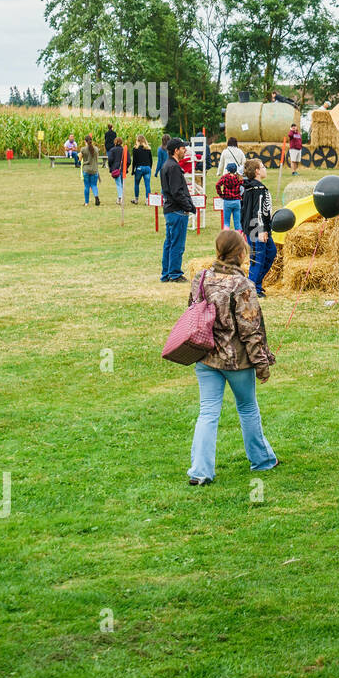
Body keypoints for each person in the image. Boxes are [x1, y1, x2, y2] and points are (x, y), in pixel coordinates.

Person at [185, 229, 279, 486]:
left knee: (207, 413)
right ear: (240, 254)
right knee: (248, 408)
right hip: (236, 361)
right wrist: (262, 364)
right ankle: (262, 460)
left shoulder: (200, 279)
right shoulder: (243, 286)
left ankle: (200, 471)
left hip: (205, 356)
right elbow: (251, 330)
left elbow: (193, 314)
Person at [160, 138, 195, 282]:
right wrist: (188, 206)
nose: (185, 150)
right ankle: (174, 273)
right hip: (177, 210)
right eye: (182, 148)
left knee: (169, 242)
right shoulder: (173, 167)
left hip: (170, 209)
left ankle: (166, 273)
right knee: (177, 244)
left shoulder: (166, 165)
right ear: (176, 150)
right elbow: (177, 192)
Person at [241, 159, 276, 296]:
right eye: (262, 167)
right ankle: (251, 289)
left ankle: (256, 284)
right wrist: (261, 230)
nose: (265, 169)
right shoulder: (257, 189)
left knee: (271, 252)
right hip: (256, 229)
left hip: (258, 228)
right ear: (257, 171)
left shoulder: (252, 188)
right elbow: (257, 210)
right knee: (257, 258)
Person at [216, 163, 243, 231]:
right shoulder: (238, 177)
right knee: (237, 222)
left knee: (226, 221)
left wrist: (221, 194)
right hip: (237, 200)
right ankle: (239, 236)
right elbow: (243, 185)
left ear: (228, 170)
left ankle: (226, 236)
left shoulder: (225, 177)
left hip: (227, 201)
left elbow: (217, 185)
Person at [131, 135, 153, 203]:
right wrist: (150, 168)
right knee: (147, 185)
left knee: (137, 184)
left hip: (139, 168)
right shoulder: (148, 149)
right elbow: (151, 160)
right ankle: (147, 200)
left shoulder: (135, 149)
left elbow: (134, 161)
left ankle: (136, 199)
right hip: (147, 168)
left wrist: (133, 170)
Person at [81, 134, 101, 206]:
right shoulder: (96, 149)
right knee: (94, 185)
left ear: (85, 141)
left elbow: (80, 158)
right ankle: (96, 196)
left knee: (86, 186)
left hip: (86, 169)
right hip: (94, 169)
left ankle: (86, 202)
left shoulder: (83, 149)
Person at [107, 136, 125, 204]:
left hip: (115, 169)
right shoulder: (124, 150)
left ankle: (120, 198)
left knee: (118, 184)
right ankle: (121, 197)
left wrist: (111, 167)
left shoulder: (112, 150)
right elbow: (128, 160)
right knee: (122, 184)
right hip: (122, 169)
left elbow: (110, 160)